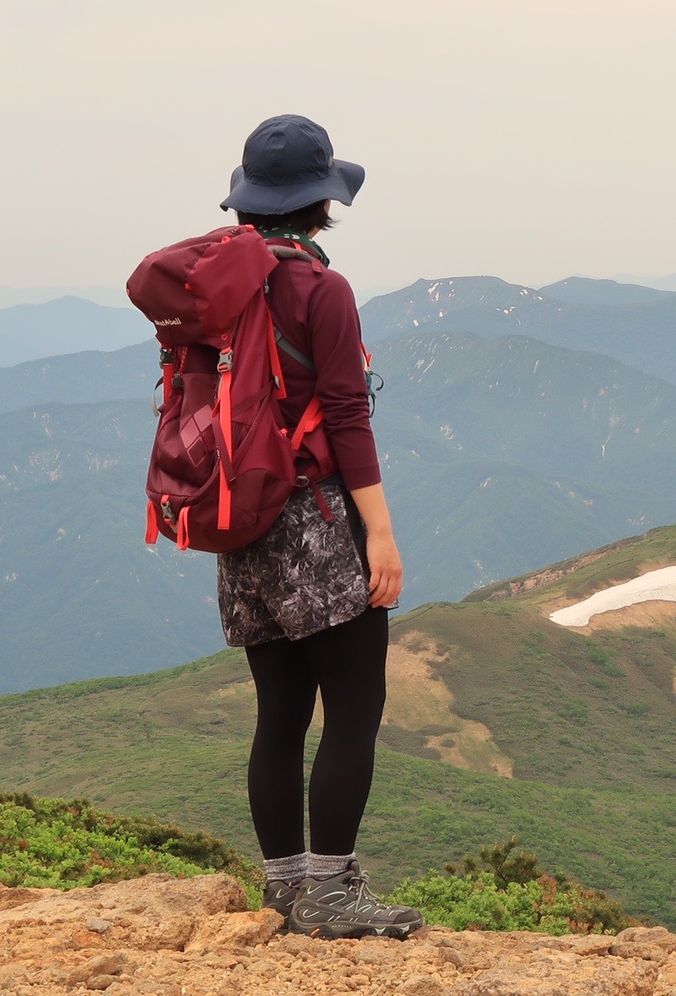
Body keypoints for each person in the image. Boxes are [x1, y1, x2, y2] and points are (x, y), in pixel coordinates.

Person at [216, 114, 423, 940]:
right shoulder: (320, 289)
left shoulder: (215, 288)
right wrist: (380, 534)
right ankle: (331, 892)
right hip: (316, 520)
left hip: (239, 522)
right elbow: (345, 416)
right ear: (320, 204)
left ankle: (285, 890)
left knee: (279, 714)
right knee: (355, 704)